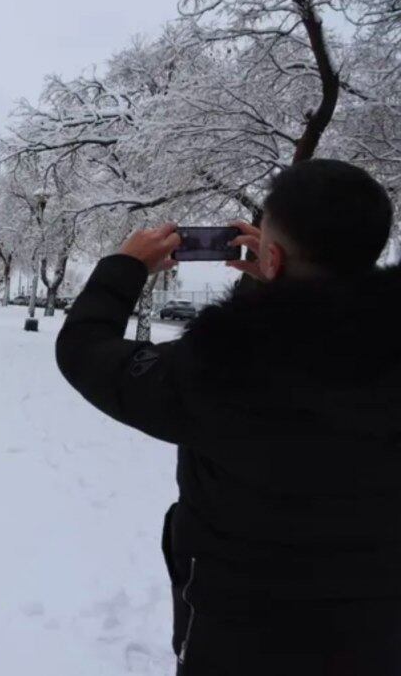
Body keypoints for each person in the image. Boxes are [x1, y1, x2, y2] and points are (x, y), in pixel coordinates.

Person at [56, 159, 399, 675]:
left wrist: (124, 267)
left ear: (272, 255)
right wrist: (276, 283)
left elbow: (84, 350)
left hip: (237, 637)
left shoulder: (220, 369)